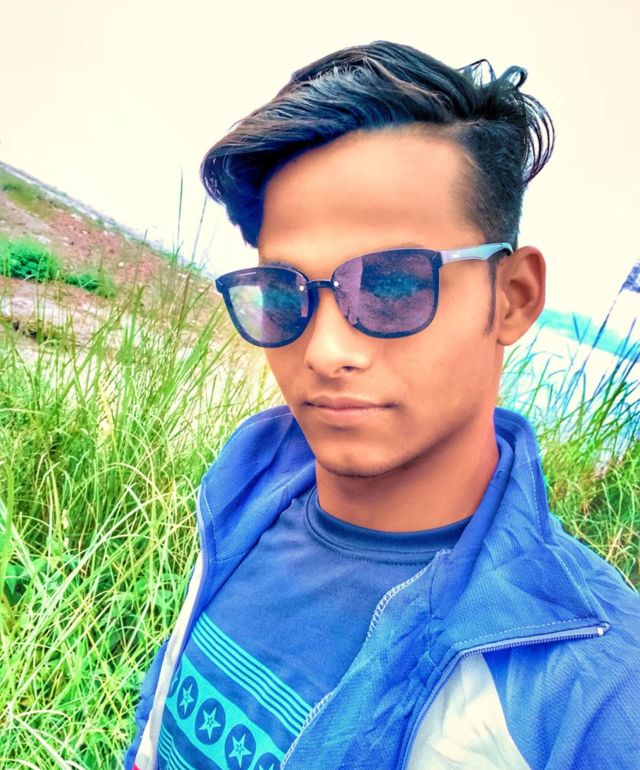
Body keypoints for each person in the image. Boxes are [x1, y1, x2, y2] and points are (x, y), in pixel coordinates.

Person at [124, 41, 640, 770]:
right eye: (283, 294)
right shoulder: (244, 495)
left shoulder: (594, 696)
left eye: (393, 286)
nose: (325, 349)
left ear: (513, 297)